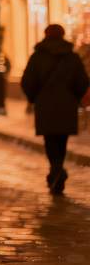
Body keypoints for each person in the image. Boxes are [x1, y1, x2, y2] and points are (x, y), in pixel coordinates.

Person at [21, 24, 89, 195]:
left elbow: (27, 81)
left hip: (45, 104)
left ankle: (56, 169)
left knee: (50, 139)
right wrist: (75, 97)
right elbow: (82, 82)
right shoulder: (72, 57)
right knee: (62, 139)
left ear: (46, 35)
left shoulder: (37, 56)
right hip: (67, 104)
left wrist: (34, 98)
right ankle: (57, 169)